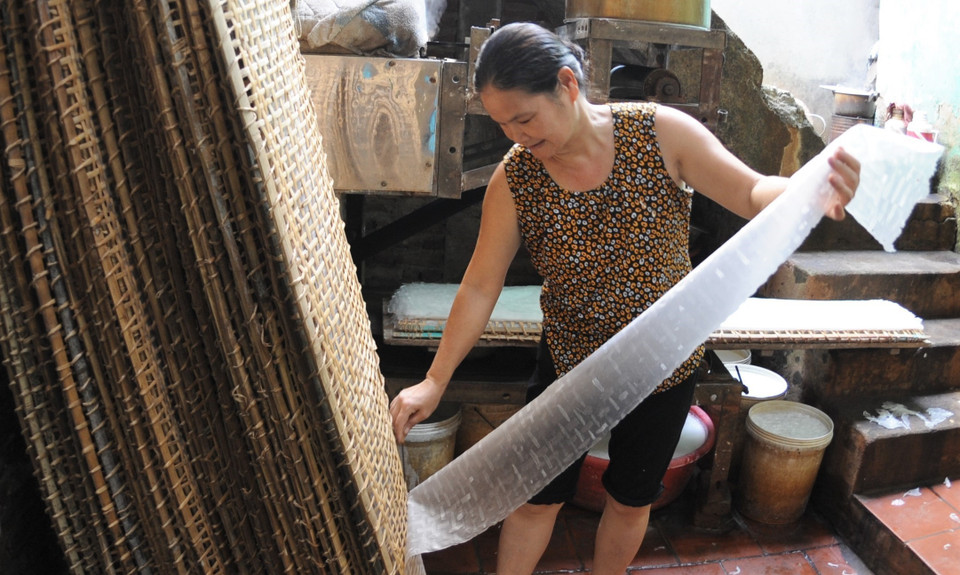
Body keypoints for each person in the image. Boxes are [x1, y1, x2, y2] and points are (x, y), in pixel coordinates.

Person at [390, 21, 860, 575]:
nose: (516, 135)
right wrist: (435, 379)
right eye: (501, 123)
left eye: (524, 117)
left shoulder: (659, 134)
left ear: (567, 85)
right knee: (536, 496)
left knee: (632, 496)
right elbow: (479, 285)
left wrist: (812, 186)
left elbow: (752, 191)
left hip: (661, 361)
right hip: (571, 361)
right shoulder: (516, 179)